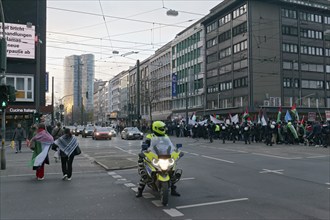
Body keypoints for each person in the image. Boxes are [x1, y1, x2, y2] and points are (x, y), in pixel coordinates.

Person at [136, 120, 180, 198]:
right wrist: (143, 152)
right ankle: (140, 190)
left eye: (164, 128)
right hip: (154, 156)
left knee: (171, 172)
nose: (164, 129)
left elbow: (170, 146)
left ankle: (173, 189)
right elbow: (145, 146)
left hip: (165, 156)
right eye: (162, 128)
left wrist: (176, 151)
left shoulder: (166, 137)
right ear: (156, 128)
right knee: (145, 174)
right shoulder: (150, 137)